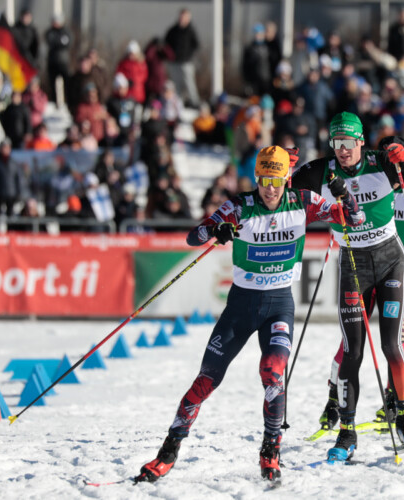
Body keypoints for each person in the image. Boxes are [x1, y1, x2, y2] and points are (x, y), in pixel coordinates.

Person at [135, 146, 363, 483]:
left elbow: (353, 219)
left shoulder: (302, 201)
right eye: (263, 179)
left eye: (276, 179)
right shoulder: (239, 206)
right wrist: (217, 229)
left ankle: (271, 449)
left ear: (287, 178)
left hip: (278, 306)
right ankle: (169, 450)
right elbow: (193, 235)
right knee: (206, 379)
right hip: (241, 307)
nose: (270, 188)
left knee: (272, 372)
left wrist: (347, 197)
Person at [290, 112, 404, 459]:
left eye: (349, 142)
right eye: (336, 143)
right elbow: (281, 200)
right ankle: (346, 430)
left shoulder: (381, 163)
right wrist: (284, 172)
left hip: (390, 263)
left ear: (361, 141)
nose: (343, 150)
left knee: (393, 347)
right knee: (352, 351)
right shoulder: (320, 172)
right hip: (353, 266)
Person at [164, 7, 200, 108]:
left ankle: (194, 102)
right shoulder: (173, 30)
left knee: (189, 83)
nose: (182, 19)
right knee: (176, 85)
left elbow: (196, 45)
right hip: (174, 62)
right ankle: (178, 104)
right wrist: (169, 56)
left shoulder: (191, 31)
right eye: (181, 17)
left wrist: (189, 56)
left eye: (185, 17)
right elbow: (166, 44)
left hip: (186, 62)